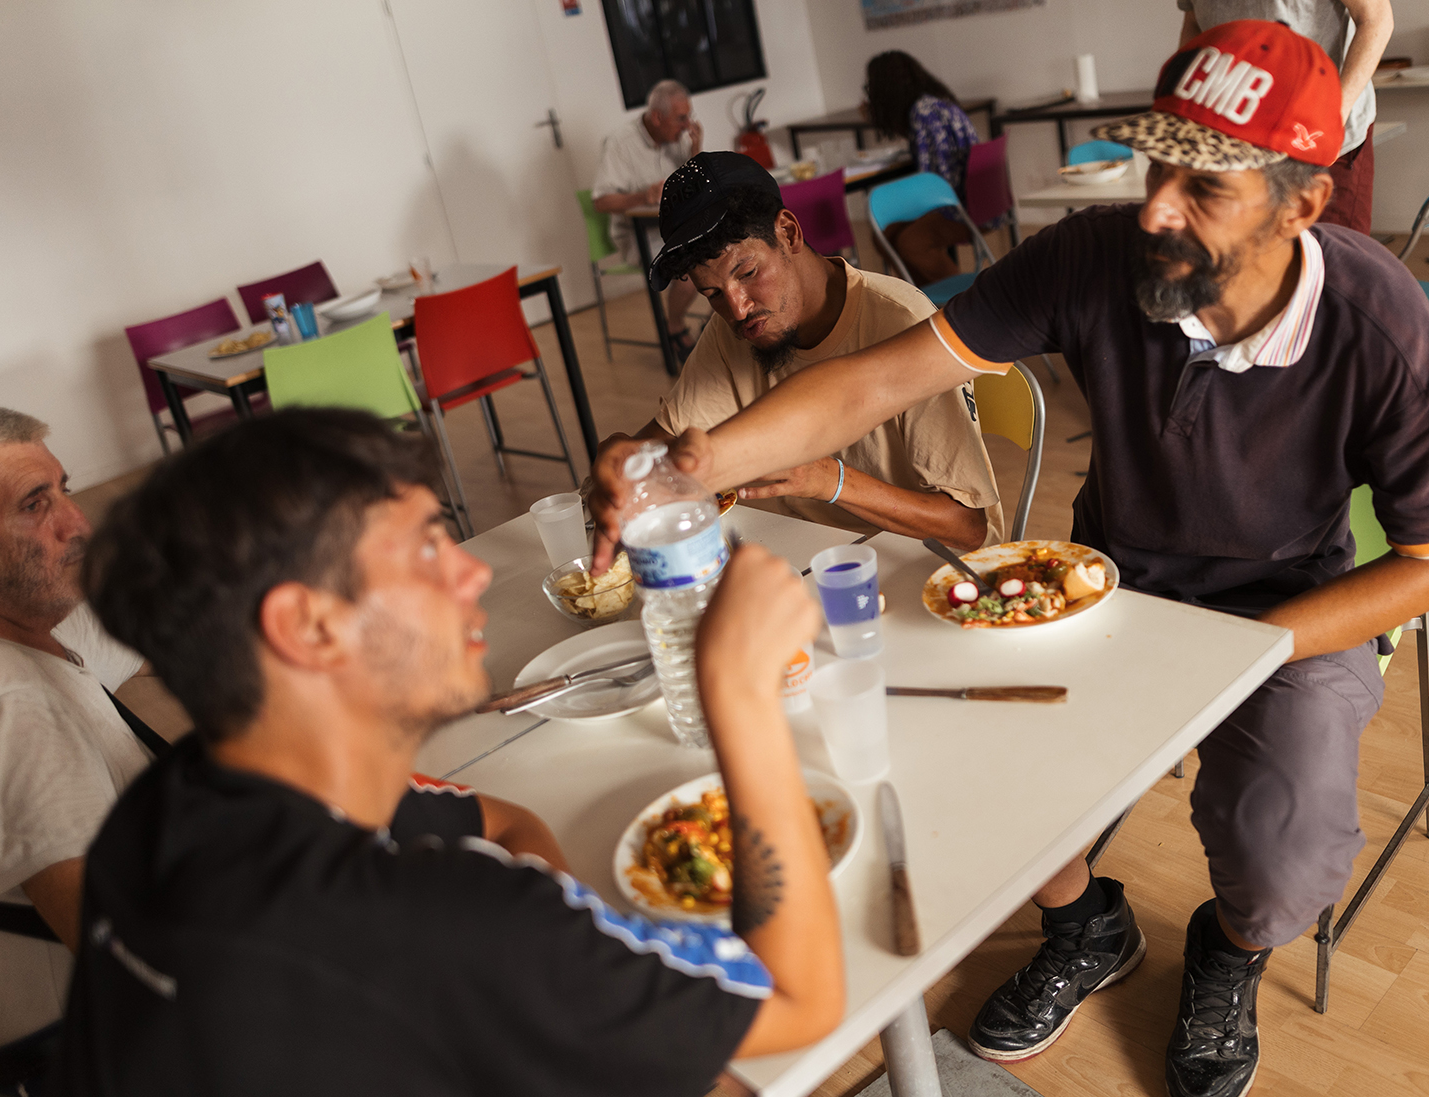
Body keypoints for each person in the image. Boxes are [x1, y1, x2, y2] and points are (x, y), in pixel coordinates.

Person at [591, 21, 1429, 1097]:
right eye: (1156, 166)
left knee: (1280, 852)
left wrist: (1243, 650)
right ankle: (1084, 925)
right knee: (992, 767)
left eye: (1203, 190)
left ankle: (1231, 947)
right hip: (1111, 576)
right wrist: (692, 461)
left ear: (1298, 202)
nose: (1155, 208)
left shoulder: (1375, 320)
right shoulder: (1096, 255)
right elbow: (876, 380)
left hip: (1285, 603)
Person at [58, 408, 844, 1096]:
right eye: (429, 549)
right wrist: (739, 698)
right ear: (308, 625)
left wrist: (565, 963)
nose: (472, 571)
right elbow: (803, 997)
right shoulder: (447, 925)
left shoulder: (172, 800)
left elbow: (502, 819)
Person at [613, 151, 1003, 551]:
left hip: (916, 565)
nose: (737, 308)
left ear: (788, 232)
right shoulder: (734, 328)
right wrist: (622, 456)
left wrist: (829, 481)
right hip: (802, 557)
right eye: (711, 294)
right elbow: (663, 443)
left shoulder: (901, 323)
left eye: (748, 273)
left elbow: (969, 528)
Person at [0, 408, 161, 1093]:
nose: (77, 523)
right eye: (36, 505)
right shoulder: (7, 699)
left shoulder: (5, 631)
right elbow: (133, 948)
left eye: (64, 490)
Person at [1180, 1, 1393, 235]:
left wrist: (1332, 118)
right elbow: (1194, 21)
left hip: (1317, 129)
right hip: (1233, 132)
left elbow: (1377, 20)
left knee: (1331, 253)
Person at [593, 78, 707, 359]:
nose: (686, 125)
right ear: (657, 117)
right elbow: (601, 201)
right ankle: (675, 326)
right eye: (681, 118)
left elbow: (698, 185)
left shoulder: (677, 139)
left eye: (689, 117)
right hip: (640, 237)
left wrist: (695, 149)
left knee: (728, 249)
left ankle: (720, 327)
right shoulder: (620, 143)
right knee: (689, 266)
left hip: (679, 228)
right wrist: (642, 196)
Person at [864, 50, 985, 285]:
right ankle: (926, 298)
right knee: (885, 236)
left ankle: (965, 301)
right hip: (972, 198)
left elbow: (933, 183)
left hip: (962, 206)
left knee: (911, 243)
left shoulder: (925, 113)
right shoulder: (931, 105)